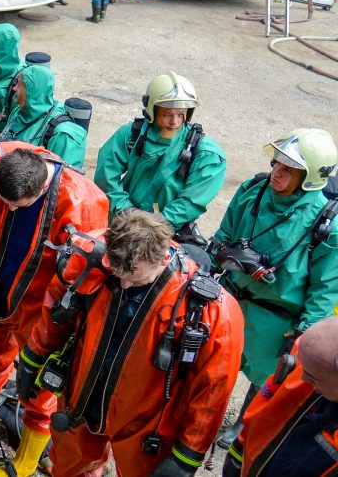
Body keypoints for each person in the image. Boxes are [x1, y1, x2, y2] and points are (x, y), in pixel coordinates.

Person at [20, 210, 243, 476]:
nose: (124, 284)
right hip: (81, 399)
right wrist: (33, 356)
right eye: (117, 273)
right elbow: (57, 310)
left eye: (134, 277)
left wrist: (187, 456)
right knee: (69, 465)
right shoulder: (93, 259)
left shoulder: (211, 311)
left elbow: (212, 391)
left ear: (163, 258)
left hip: (148, 420)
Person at [0, 146, 110, 477]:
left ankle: (26, 461)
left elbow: (83, 279)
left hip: (41, 310)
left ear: (42, 188)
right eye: (5, 203)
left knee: (39, 387)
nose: (9, 209)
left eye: (17, 206)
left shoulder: (82, 202)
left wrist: (61, 329)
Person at [212, 128, 338, 389]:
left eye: (289, 169)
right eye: (277, 162)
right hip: (230, 302)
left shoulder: (326, 227)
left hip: (276, 323)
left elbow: (325, 288)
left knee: (266, 387)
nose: (276, 173)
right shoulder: (252, 191)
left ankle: (243, 426)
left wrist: (303, 335)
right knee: (211, 371)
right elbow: (223, 236)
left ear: (308, 178)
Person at [95, 72, 226, 243]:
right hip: (121, 221)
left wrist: (155, 224)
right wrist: (127, 212)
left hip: (165, 232)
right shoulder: (132, 133)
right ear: (152, 111)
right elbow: (106, 177)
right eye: (167, 114)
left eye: (181, 114)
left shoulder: (207, 154)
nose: (175, 122)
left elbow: (191, 202)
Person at [223, 316, 338, 476]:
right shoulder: (313, 357)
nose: (303, 379)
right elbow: (264, 412)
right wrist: (238, 454)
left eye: (312, 378)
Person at [0, 65, 87, 169]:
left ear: (32, 90)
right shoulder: (18, 112)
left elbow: (63, 179)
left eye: (19, 85)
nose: (14, 88)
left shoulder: (62, 134)